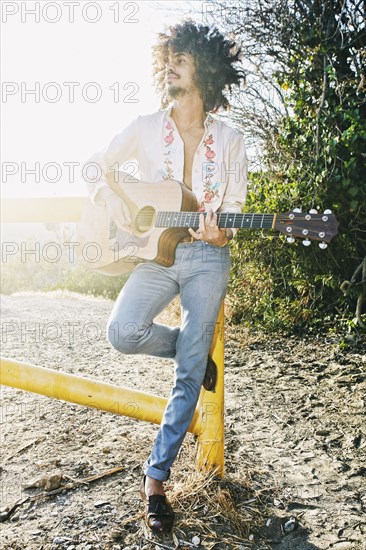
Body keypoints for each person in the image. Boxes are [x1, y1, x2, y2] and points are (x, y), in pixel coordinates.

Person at [82, 20, 248, 533]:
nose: (171, 64)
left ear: (206, 67)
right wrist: (118, 204)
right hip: (156, 256)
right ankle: (191, 352)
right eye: (167, 57)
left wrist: (219, 234)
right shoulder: (144, 129)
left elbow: (235, 213)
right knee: (122, 332)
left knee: (185, 378)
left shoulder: (233, 140)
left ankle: (155, 479)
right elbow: (96, 166)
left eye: (182, 57)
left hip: (206, 259)